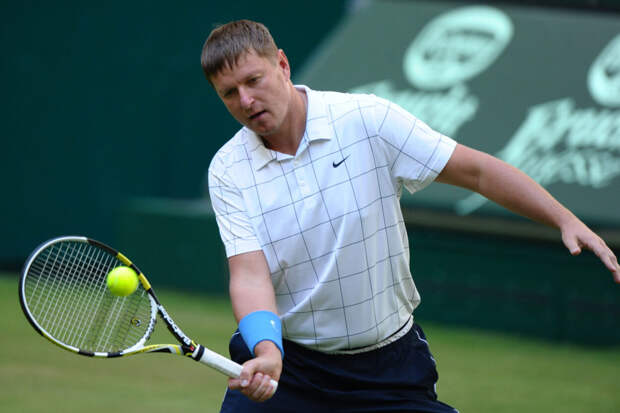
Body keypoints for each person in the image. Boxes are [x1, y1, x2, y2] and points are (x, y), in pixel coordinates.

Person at [200, 19, 620, 412]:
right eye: (229, 93)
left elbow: (476, 172)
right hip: (288, 367)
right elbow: (250, 275)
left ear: (282, 64)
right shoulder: (228, 169)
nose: (246, 101)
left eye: (253, 80)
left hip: (387, 368)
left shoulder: (366, 119)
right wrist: (268, 351)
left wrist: (564, 218)